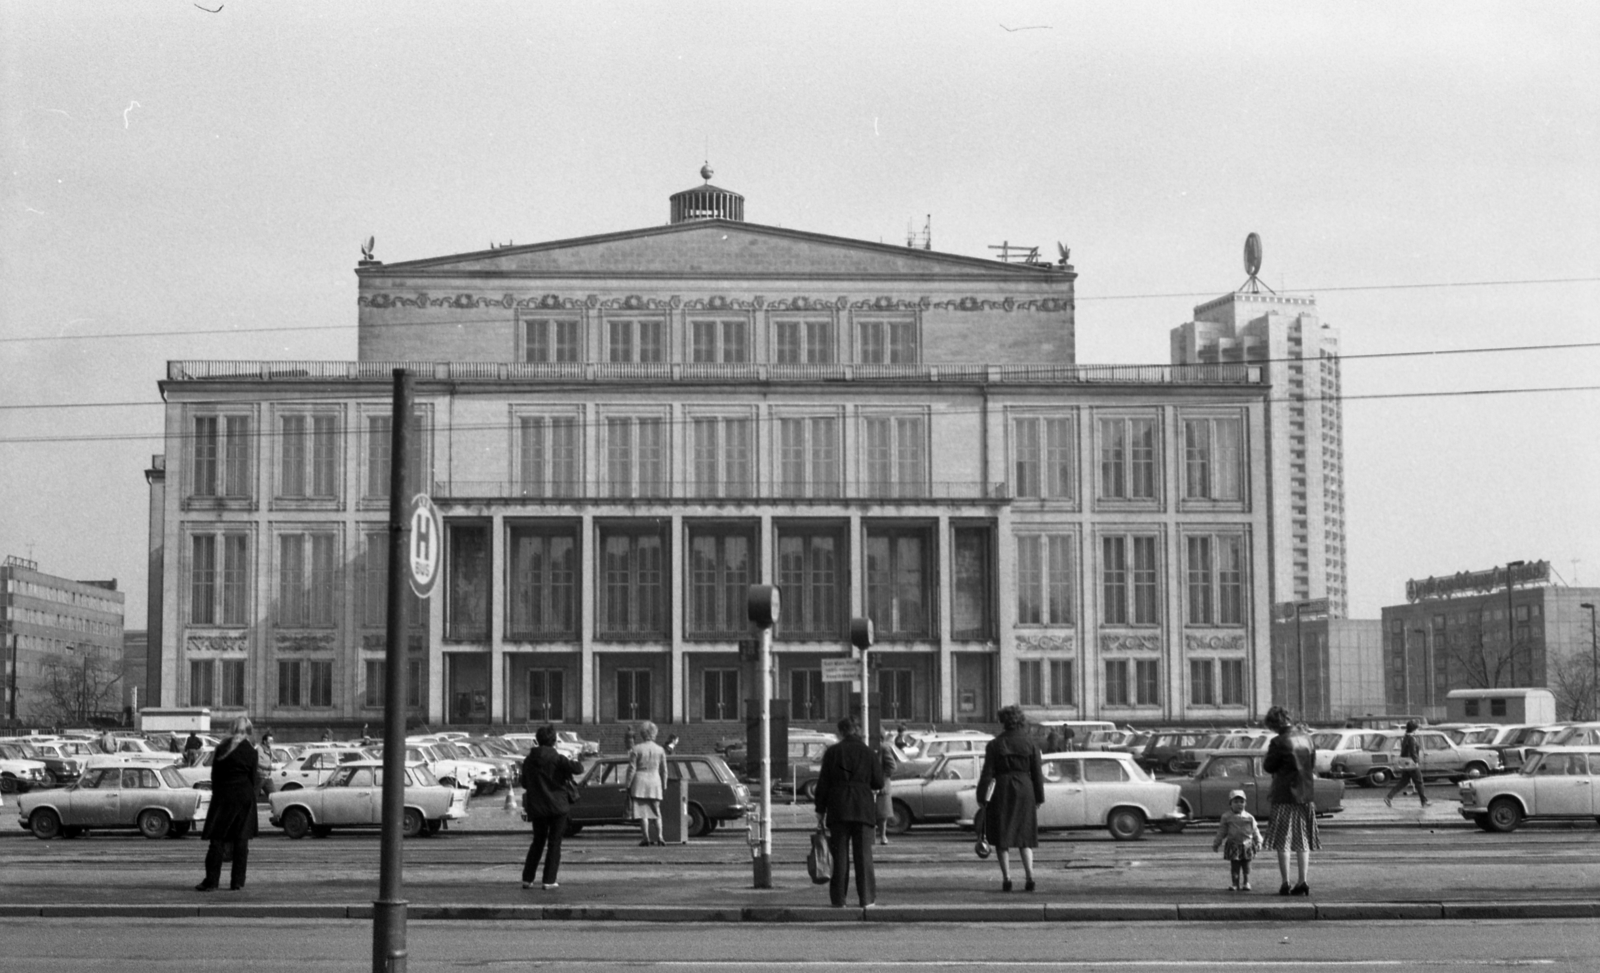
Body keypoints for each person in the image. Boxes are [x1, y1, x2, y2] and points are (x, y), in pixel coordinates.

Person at [813, 716, 885, 908]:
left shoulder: (833, 752)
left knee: (839, 856)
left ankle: (839, 900)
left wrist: (820, 810)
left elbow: (823, 784)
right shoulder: (869, 752)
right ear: (858, 730)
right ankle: (867, 899)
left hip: (838, 808)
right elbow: (878, 782)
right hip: (863, 807)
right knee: (863, 856)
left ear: (841, 732)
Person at [976, 704, 1046, 892]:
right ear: (1021, 721)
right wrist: (1039, 797)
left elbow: (987, 773)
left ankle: (1007, 879)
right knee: (1025, 836)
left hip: (1002, 790)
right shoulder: (1031, 743)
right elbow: (1037, 774)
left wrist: (982, 796)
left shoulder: (994, 744)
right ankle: (1030, 876)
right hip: (1025, 789)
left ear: (1003, 722)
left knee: (1002, 837)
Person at [197, 715, 260, 892]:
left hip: (224, 796)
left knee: (217, 840)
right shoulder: (251, 751)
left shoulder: (222, 748)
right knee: (241, 841)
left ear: (231, 730)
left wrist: (219, 794)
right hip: (244, 797)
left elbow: (214, 777)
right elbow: (253, 778)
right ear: (248, 731)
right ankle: (237, 882)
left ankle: (211, 881)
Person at [1261, 705, 1318, 896]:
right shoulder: (1307, 738)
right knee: (1302, 840)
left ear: (1274, 724)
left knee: (1283, 841)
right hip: (1305, 796)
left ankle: (1285, 882)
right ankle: (1303, 881)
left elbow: (1269, 767)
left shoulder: (1278, 741)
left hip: (1284, 795)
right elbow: (1312, 764)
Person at [520, 724, 585, 890]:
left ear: (537, 740)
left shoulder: (529, 760)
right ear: (554, 741)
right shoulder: (558, 758)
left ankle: (527, 878)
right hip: (558, 807)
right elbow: (578, 769)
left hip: (537, 807)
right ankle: (549, 880)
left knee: (538, 841)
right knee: (554, 843)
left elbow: (524, 783)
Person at [1212, 789, 1264, 892]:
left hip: (1247, 845)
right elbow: (1222, 831)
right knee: (1235, 866)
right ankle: (1235, 884)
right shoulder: (1226, 817)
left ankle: (1246, 882)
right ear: (1230, 803)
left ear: (1245, 803)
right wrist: (1217, 843)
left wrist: (1258, 842)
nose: (1239, 804)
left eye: (1242, 802)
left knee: (1247, 866)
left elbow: (1255, 830)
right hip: (1233, 845)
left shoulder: (1249, 817)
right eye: (1235, 802)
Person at [626, 721, 667, 846]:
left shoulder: (636, 749)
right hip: (655, 781)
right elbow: (664, 770)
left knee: (643, 812)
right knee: (656, 812)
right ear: (654, 734)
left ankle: (646, 838)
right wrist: (664, 784)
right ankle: (660, 836)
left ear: (642, 734)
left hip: (640, 782)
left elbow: (632, 769)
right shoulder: (660, 750)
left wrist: (628, 784)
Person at [1384, 721, 1431, 808]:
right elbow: (1413, 751)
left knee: (1403, 782)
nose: (1417, 730)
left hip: (1404, 762)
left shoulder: (1405, 737)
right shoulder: (1411, 739)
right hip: (1411, 763)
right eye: (1416, 729)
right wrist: (1416, 762)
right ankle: (1424, 802)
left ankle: (1389, 797)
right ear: (1414, 729)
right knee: (1419, 781)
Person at [874, 744, 897, 846]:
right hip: (871, 786)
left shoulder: (883, 748)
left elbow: (892, 766)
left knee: (882, 814)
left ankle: (883, 835)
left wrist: (881, 778)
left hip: (882, 786)